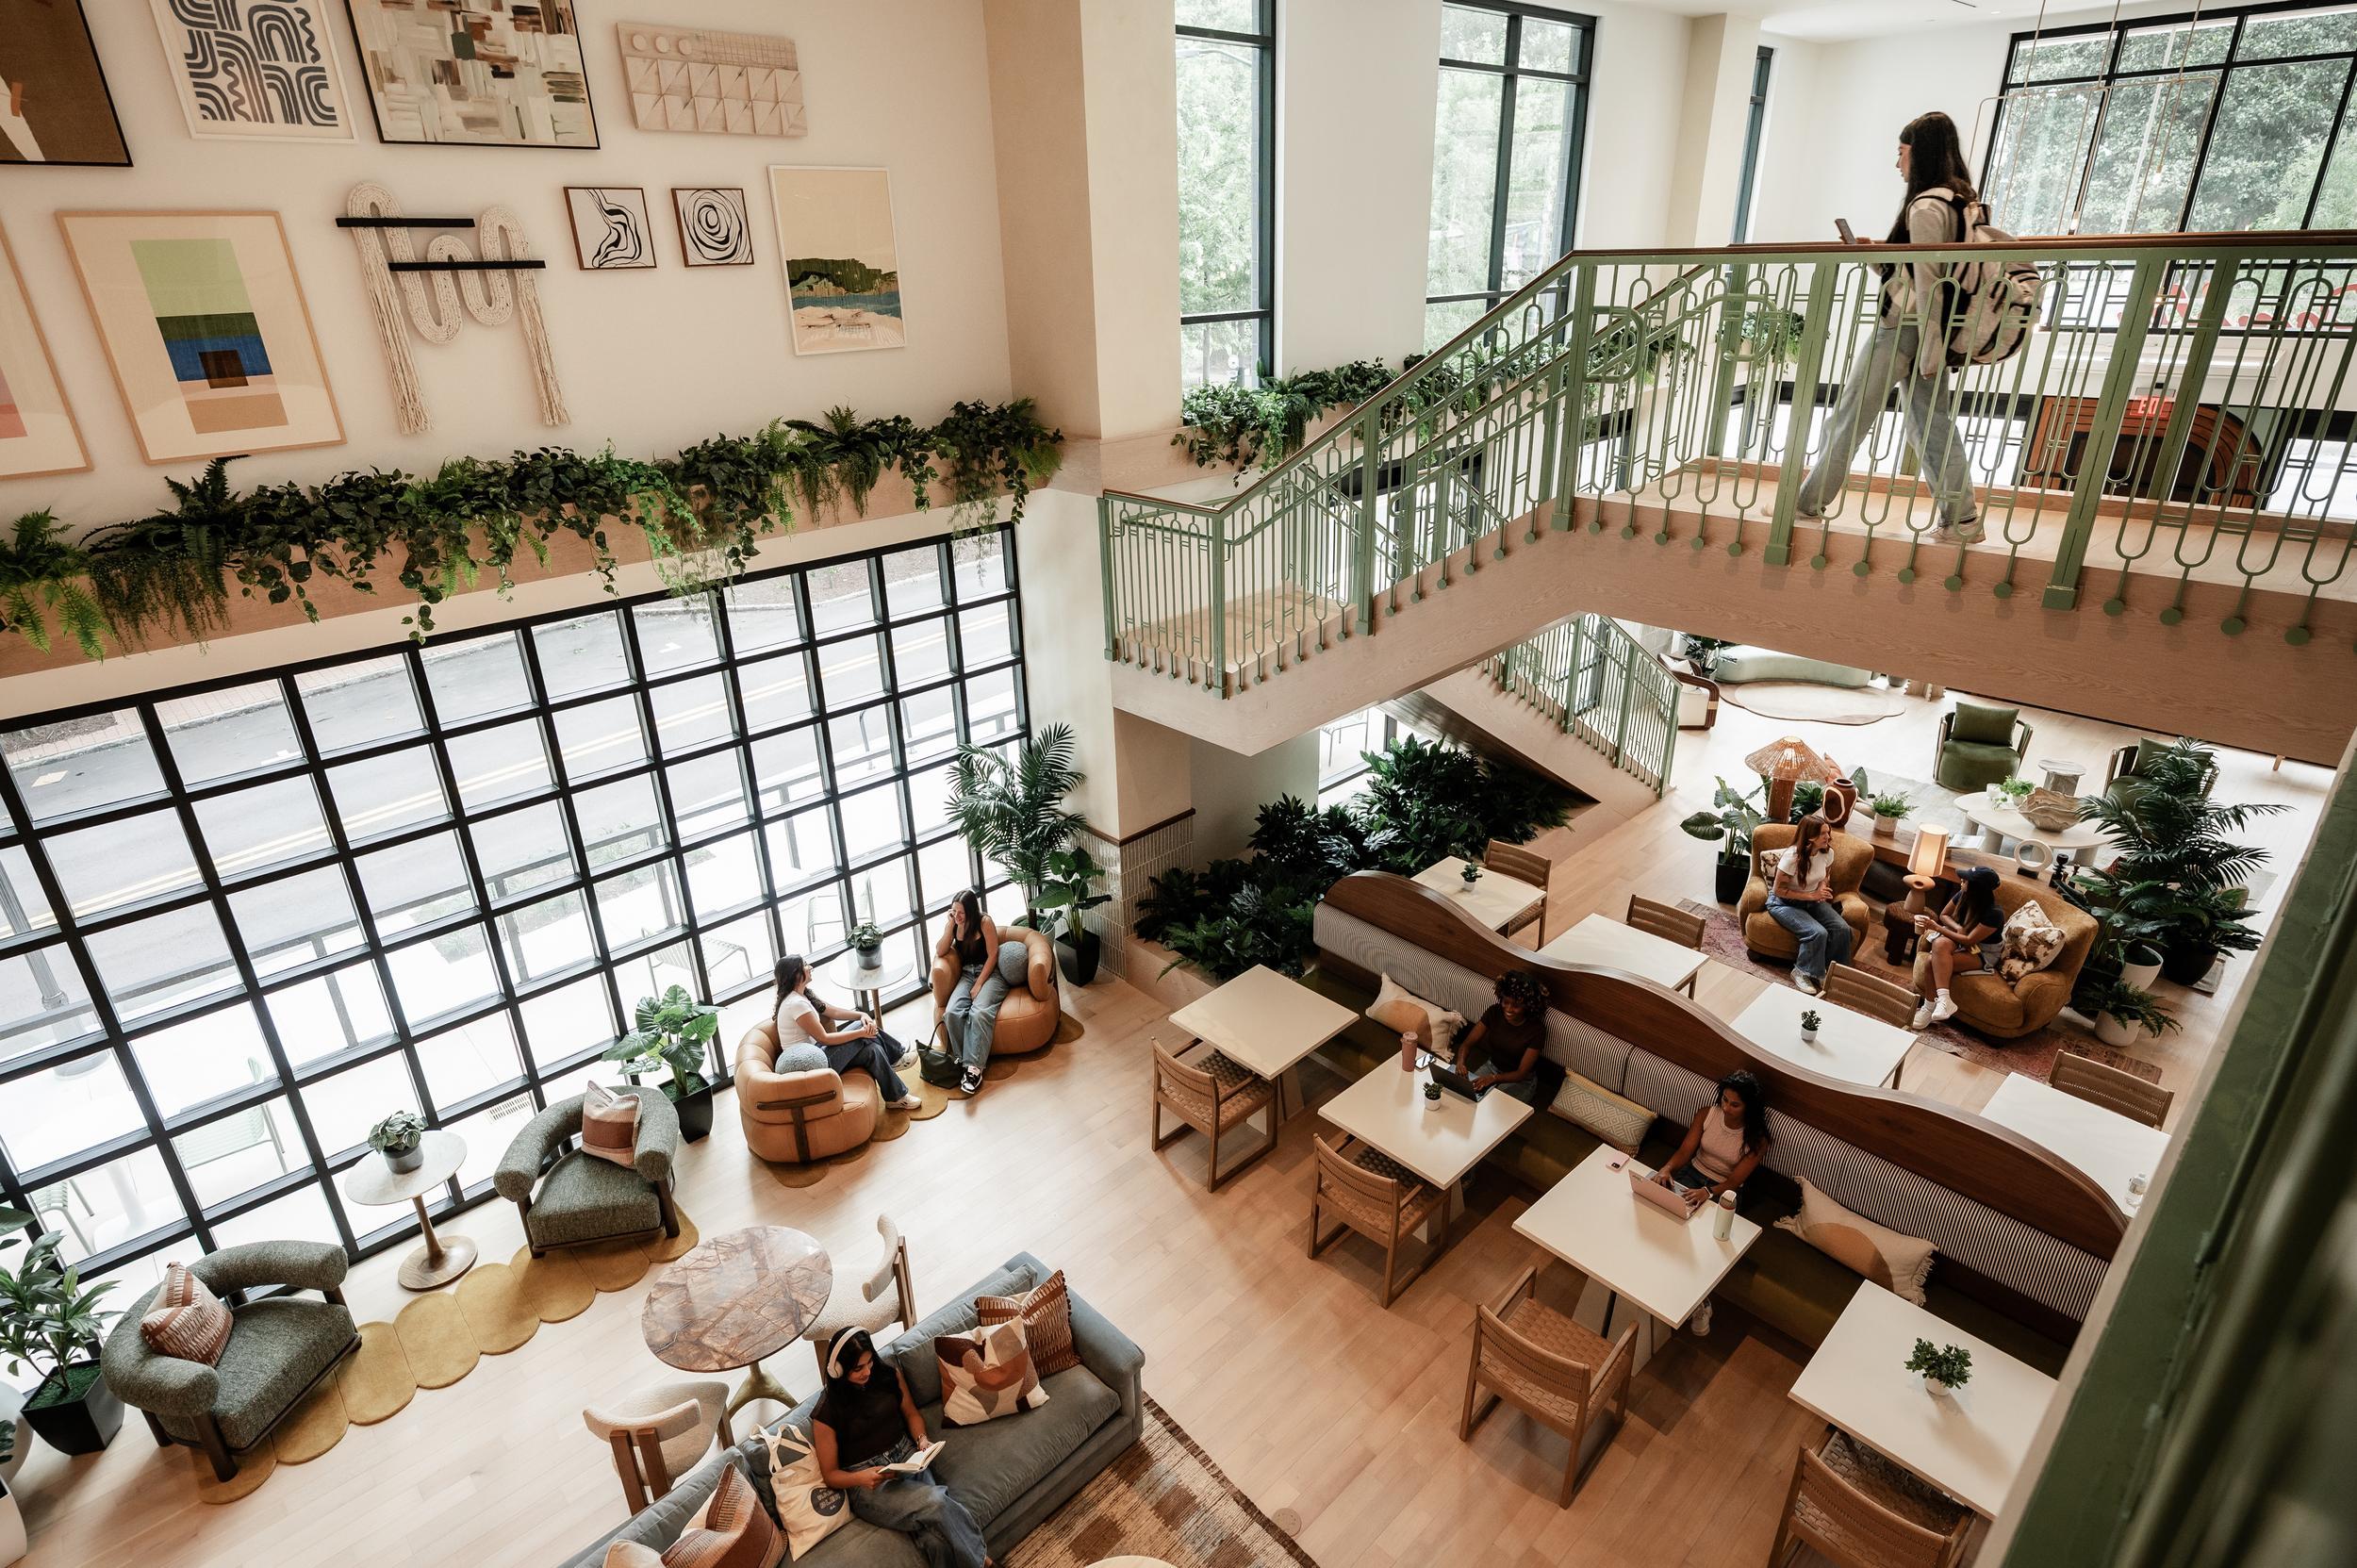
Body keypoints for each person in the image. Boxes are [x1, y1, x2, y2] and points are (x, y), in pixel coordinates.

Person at [1793, 110, 1984, 543]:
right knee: (1931, 424)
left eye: (1901, 153)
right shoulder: (1961, 200)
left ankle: (1806, 503)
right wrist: (1879, 253)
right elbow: (1930, 276)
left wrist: (1933, 351)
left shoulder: (1926, 207)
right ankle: (1964, 521)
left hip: (1906, 329)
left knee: (1851, 415)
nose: (1898, 164)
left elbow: (1929, 286)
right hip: (1928, 330)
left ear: (1921, 154)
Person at [811, 1327, 992, 1568]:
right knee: (937, 1502)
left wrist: (921, 1440)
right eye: (858, 1369)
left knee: (933, 1540)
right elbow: (830, 1475)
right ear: (838, 1370)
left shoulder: (887, 1376)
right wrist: (861, 1478)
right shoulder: (826, 1413)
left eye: (869, 1363)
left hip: (907, 1457)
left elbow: (911, 1414)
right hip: (869, 1483)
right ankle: (986, 1563)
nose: (867, 1372)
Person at [1652, 1071, 1772, 1336]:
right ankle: (1658, 1282)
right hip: (1692, 1173)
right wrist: (1666, 1168)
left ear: (1749, 1107)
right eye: (1724, 1100)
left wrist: (1708, 1192)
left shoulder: (1757, 1139)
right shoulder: (1707, 1113)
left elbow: (1734, 1180)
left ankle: (1701, 1304)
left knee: (1704, 1245)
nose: (1727, 1108)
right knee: (1662, 1216)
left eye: (1735, 1104)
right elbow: (1686, 1151)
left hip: (1723, 1190)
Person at [774, 955, 921, 1111]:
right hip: (814, 1067)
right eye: (804, 965)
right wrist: (861, 1034)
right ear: (795, 974)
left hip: (818, 1053)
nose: (810, 967)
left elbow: (835, 1012)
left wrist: (862, 1015)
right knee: (862, 1033)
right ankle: (896, 1057)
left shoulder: (802, 996)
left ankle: (896, 1098)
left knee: (872, 1050)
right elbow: (825, 1039)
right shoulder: (796, 1004)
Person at [1767, 812, 1852, 997]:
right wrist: (1812, 896)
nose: (1828, 837)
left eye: (1828, 833)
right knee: (1817, 932)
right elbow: (1778, 891)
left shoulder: (1827, 853)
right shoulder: (1792, 858)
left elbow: (1825, 875)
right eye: (1823, 834)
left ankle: (1829, 973)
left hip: (1811, 900)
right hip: (1783, 903)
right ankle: (1802, 971)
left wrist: (1822, 889)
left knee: (1842, 929)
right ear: (1811, 836)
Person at [934, 889, 1011, 1095]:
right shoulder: (954, 924)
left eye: (961, 913)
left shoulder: (984, 922)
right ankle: (965, 1061)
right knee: (951, 1013)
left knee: (979, 1013)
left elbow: (993, 955)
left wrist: (979, 984)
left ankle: (974, 1071)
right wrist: (950, 926)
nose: (957, 916)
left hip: (991, 974)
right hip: (967, 975)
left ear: (970, 911)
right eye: (954, 912)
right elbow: (941, 950)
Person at [1910, 864, 2005, 1029]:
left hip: (1982, 951)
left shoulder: (1994, 913)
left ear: (1977, 888)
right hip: (1961, 939)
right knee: (1939, 944)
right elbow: (1944, 915)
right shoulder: (1963, 894)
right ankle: (1944, 1000)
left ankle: (1929, 1008)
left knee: (1930, 962)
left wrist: (1937, 928)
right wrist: (1958, 927)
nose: (1962, 881)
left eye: (1966, 880)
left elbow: (1969, 940)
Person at [1442, 969, 1556, 1106]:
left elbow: (1521, 1073)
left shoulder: (1536, 1030)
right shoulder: (1494, 1012)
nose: (1508, 1009)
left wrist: (1493, 1079)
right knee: (1465, 1098)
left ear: (1528, 1005)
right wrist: (1460, 1062)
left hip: (1520, 1080)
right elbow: (1467, 1044)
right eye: (1505, 1002)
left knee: (1492, 1107)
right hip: (1492, 1067)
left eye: (1516, 1006)